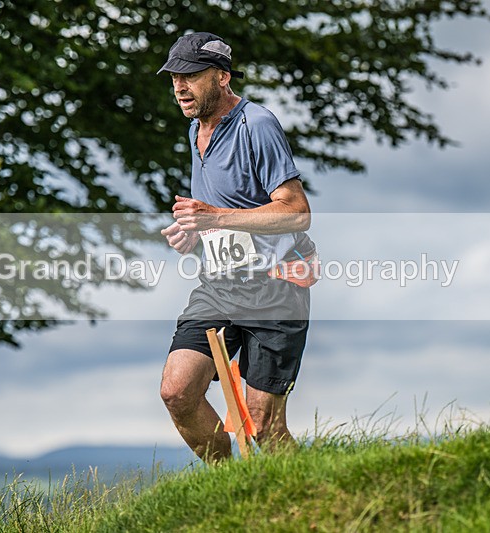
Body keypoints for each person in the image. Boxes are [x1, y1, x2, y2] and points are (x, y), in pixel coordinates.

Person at [157, 32, 317, 462]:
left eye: (190, 76)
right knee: (177, 392)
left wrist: (214, 218)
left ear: (222, 77)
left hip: (275, 288)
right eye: (174, 77)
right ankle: (229, 484)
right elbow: (222, 216)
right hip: (220, 287)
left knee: (264, 426)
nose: (179, 86)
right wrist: (195, 236)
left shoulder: (256, 124)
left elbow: (297, 211)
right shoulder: (195, 130)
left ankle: (308, 493)